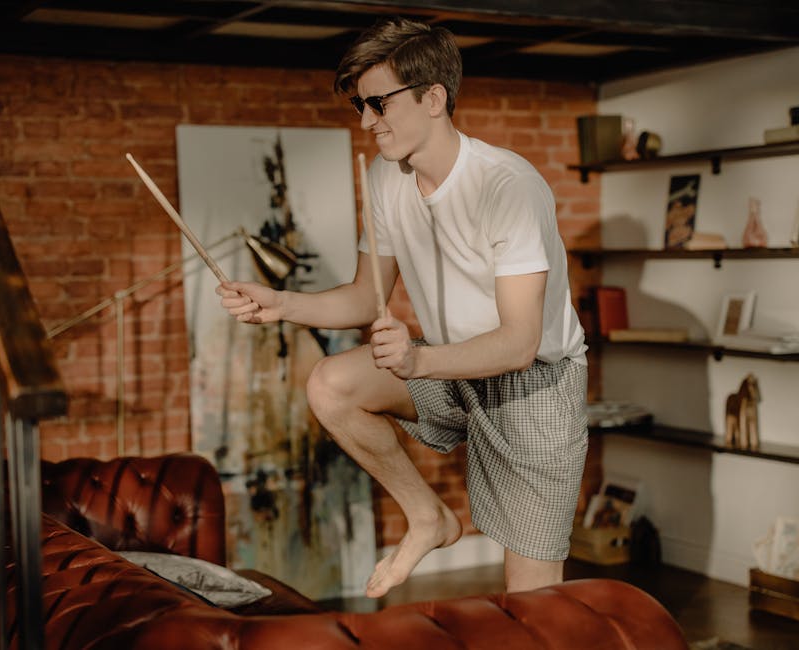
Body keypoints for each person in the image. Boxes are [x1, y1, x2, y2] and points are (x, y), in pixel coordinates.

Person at [216, 16, 588, 598]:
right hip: (449, 370)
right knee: (331, 385)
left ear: (433, 97)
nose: (367, 123)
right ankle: (428, 517)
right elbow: (367, 297)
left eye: (379, 104)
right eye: (361, 107)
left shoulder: (506, 186)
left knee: (531, 599)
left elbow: (518, 343)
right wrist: (281, 304)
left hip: (532, 386)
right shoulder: (385, 178)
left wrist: (417, 363)